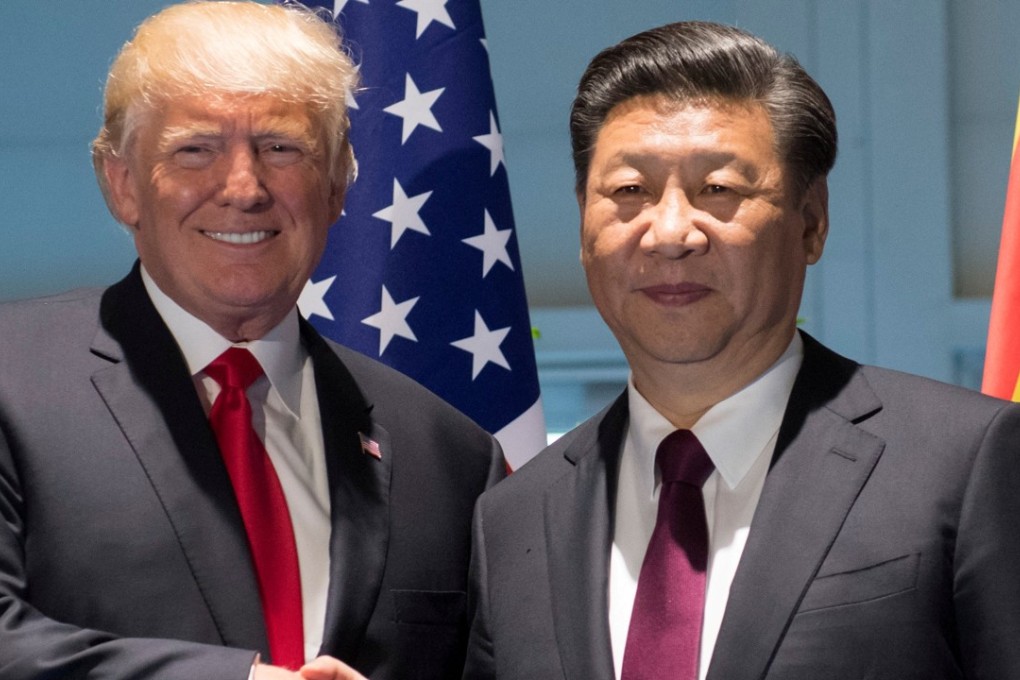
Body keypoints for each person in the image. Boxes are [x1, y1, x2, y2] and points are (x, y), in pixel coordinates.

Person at [462, 20, 1020, 680]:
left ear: (810, 223)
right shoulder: (515, 516)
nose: (670, 233)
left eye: (718, 190)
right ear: (583, 217)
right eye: (629, 192)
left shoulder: (964, 462)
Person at [0, 3, 503, 680]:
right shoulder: (12, 379)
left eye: (280, 148)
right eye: (195, 150)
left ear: (337, 184)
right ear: (122, 185)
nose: (244, 188)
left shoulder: (451, 456)